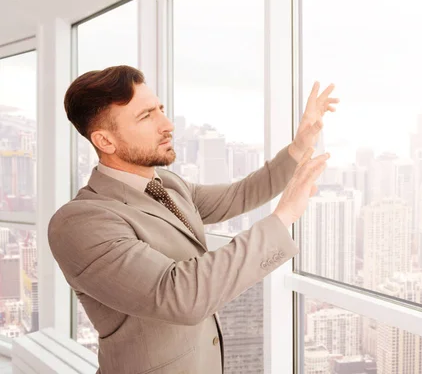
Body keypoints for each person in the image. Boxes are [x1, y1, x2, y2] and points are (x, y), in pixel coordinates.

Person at [47, 65, 338, 374]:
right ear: (105, 142)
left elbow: (239, 195)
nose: (167, 125)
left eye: (160, 109)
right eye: (146, 116)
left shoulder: (169, 185)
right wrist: (285, 216)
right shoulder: (80, 222)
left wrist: (299, 146)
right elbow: (180, 296)